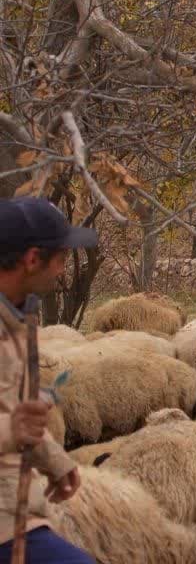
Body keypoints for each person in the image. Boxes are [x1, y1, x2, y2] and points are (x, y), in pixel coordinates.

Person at [0, 197, 97, 564]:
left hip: (17, 507)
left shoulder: (18, 321)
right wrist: (12, 429)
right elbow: (12, 424)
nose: (62, 268)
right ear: (31, 259)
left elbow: (14, 414)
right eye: (59, 257)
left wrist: (54, 459)